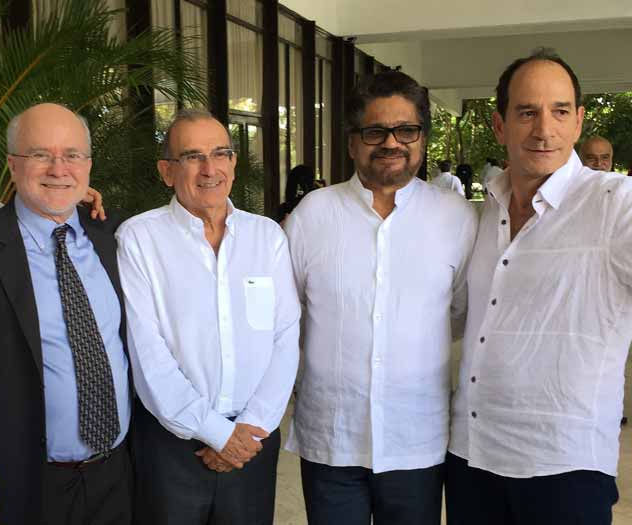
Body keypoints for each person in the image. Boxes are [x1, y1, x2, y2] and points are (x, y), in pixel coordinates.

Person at [447, 48, 631, 525]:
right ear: (499, 125)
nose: (544, 129)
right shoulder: (483, 214)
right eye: (527, 112)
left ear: (578, 121)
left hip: (564, 466)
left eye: (560, 111)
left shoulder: (615, 205)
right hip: (472, 458)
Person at [284, 71, 477, 525]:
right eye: (375, 131)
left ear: (422, 139)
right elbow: (285, 315)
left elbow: (462, 310)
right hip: (331, 440)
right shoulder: (312, 215)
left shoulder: (456, 217)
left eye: (406, 130)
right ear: (352, 142)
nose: (391, 142)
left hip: (418, 441)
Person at [116, 109, 300, 524]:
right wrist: (218, 434)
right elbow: (148, 355)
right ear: (167, 171)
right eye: (193, 157)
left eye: (220, 154)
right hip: (172, 444)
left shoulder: (266, 236)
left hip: (254, 437)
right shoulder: (139, 238)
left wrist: (249, 430)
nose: (209, 169)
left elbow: (286, 336)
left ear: (233, 163)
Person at [0, 103, 132, 525]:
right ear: (13, 165)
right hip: (26, 484)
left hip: (117, 475)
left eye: (72, 155)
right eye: (40, 154)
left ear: (88, 166)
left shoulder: (115, 235)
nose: (59, 168)